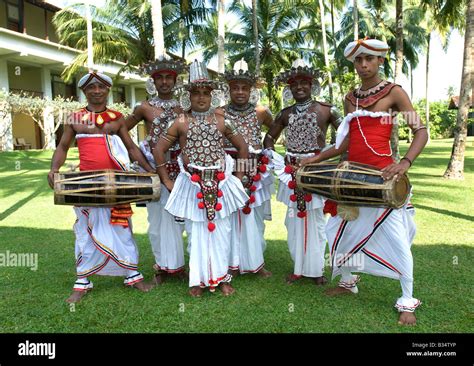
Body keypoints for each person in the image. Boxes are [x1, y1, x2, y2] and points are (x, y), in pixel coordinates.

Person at [301, 38, 428, 325]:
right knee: (342, 231)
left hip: (383, 179)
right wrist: (316, 159)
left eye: (369, 58)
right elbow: (344, 143)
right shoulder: (350, 98)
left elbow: (420, 129)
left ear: (380, 60)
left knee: (395, 238)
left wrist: (404, 162)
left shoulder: (394, 93)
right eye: (358, 60)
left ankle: (407, 300)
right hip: (351, 178)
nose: (363, 64)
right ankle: (348, 282)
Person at [47, 72, 155, 303]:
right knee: (85, 232)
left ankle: (132, 275)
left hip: (116, 183)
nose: (97, 91)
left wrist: (148, 169)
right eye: (92, 87)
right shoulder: (75, 119)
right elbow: (63, 147)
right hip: (87, 186)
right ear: (84, 91)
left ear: (108, 90)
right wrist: (54, 170)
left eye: (101, 87)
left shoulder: (117, 119)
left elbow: (132, 148)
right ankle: (82, 281)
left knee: (122, 229)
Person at [153, 60, 249, 297]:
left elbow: (243, 148)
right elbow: (158, 149)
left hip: (220, 185)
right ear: (188, 97)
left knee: (222, 232)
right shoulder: (181, 121)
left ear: (213, 96)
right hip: (192, 184)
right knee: (196, 235)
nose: (201, 98)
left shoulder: (222, 120)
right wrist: (166, 180)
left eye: (206, 93)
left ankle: (223, 278)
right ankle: (196, 281)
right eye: (196, 93)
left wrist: (238, 177)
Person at [263, 59, 341, 286]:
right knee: (293, 223)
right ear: (289, 88)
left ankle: (316, 270)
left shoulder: (327, 109)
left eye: (304, 83)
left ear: (312, 85)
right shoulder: (285, 113)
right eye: (294, 83)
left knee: (316, 222)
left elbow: (345, 134)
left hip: (316, 172)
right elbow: (270, 137)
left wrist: (328, 154)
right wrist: (272, 155)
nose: (299, 87)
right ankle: (298, 269)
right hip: (290, 173)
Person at [125, 54, 188, 284]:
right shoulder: (144, 108)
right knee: (157, 221)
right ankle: (162, 268)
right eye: (159, 78)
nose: (164, 82)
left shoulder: (185, 107)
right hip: (154, 171)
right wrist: (139, 159)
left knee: (179, 218)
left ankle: (179, 267)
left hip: (180, 171)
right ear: (152, 81)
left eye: (168, 78)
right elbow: (122, 131)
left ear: (175, 81)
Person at [222, 59, 273, 278]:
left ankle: (256, 262)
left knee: (253, 215)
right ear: (229, 90)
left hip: (254, 167)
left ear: (250, 90)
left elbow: (274, 130)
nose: (240, 92)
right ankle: (229, 262)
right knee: (229, 215)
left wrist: (267, 150)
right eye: (235, 88)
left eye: (244, 88)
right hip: (227, 168)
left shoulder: (261, 112)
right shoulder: (219, 112)